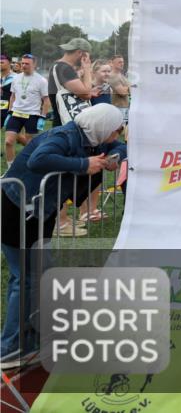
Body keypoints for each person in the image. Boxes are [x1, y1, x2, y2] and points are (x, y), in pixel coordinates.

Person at [0, 103, 126, 367]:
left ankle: (30, 338)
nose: (117, 135)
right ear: (102, 126)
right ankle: (9, 348)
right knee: (25, 278)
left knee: (39, 275)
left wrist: (111, 156)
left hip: (38, 211)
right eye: (115, 130)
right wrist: (84, 164)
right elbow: (38, 160)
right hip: (17, 208)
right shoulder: (64, 136)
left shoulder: (89, 138)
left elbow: (120, 147)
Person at [4, 55, 50, 165]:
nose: (23, 65)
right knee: (8, 142)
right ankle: (11, 169)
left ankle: (29, 168)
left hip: (32, 115)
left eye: (27, 63)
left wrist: (42, 117)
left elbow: (46, 100)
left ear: (34, 65)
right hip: (16, 113)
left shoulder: (41, 80)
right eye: (22, 63)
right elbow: (13, 96)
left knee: (30, 145)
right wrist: (10, 112)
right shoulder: (16, 78)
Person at [48, 38, 97, 126]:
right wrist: (87, 68)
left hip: (61, 120)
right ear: (80, 53)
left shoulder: (58, 66)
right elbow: (86, 94)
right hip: (67, 125)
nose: (88, 59)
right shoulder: (65, 69)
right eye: (87, 56)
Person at [0, 55, 12, 132]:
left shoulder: (15, 77)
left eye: (2, 62)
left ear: (9, 63)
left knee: (15, 136)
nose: (0, 64)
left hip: (9, 109)